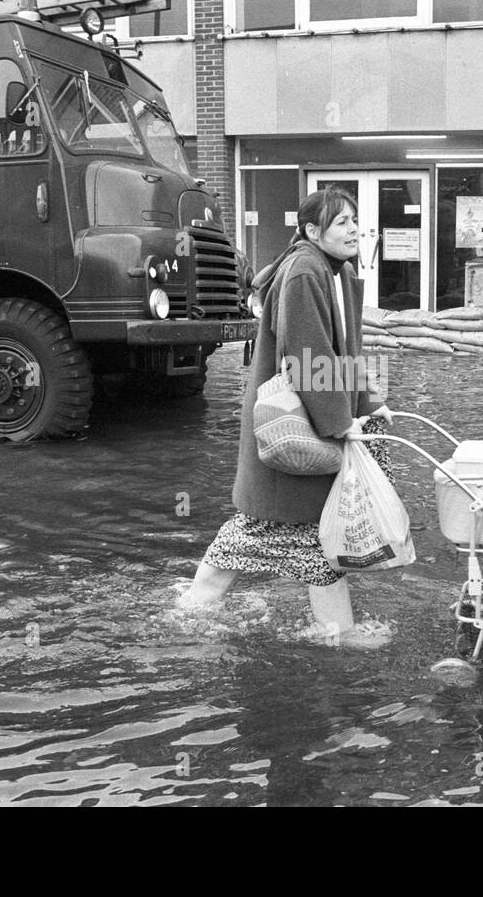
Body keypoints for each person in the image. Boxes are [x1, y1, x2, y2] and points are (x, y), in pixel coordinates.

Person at [178, 188, 394, 638]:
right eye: (342, 222)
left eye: (355, 219)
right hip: (295, 428)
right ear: (313, 231)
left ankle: (190, 610)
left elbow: (343, 351)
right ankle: (338, 634)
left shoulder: (334, 270)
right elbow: (306, 353)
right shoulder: (305, 272)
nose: (354, 229)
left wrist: (372, 401)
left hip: (302, 430)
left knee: (283, 532)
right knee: (289, 531)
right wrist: (340, 423)